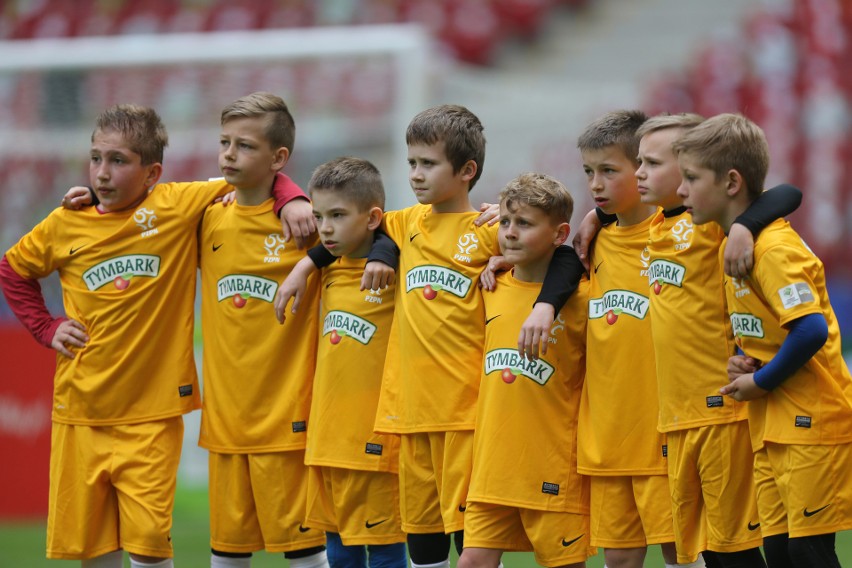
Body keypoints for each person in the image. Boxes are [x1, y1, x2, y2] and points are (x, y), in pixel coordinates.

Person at [275, 104, 584, 568]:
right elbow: (363, 227)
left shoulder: (487, 229)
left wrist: (537, 288)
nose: (416, 174)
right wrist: (309, 264)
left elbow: (564, 258)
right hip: (406, 416)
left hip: (463, 414)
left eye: (428, 163)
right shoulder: (405, 224)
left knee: (472, 548)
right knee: (423, 549)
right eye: (412, 162)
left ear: (466, 170)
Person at [675, 112, 852, 568]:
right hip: (773, 423)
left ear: (731, 182)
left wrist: (764, 380)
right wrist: (744, 359)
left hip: (811, 420)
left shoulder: (771, 249)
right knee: (777, 549)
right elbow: (763, 328)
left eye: (691, 178)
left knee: (806, 550)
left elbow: (810, 329)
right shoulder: (729, 243)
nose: (681, 191)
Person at [633, 113, 801, 567]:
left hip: (721, 410)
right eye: (637, 162)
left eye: (652, 163)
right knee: (707, 552)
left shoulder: (713, 223)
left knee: (735, 553)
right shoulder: (654, 226)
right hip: (677, 416)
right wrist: (592, 216)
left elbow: (788, 193)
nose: (639, 174)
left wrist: (745, 225)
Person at [197, 92, 330, 568]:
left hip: (287, 423)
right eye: (224, 142)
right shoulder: (206, 216)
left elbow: (374, 233)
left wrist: (292, 195)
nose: (229, 154)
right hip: (226, 425)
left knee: (307, 556)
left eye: (245, 146)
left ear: (278, 158)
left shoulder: (311, 226)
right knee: (226, 557)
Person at [568, 110, 685, 568]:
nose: (595, 184)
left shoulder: (684, 235)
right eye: (588, 172)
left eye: (608, 171)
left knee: (683, 554)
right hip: (608, 438)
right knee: (619, 561)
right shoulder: (589, 245)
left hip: (665, 433)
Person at [457, 172, 593, 568]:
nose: (510, 234)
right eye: (505, 223)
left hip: (552, 466)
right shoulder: (490, 285)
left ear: (559, 232)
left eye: (525, 224)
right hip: (492, 467)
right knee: (471, 562)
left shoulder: (582, 298)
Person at [301, 156, 407, 568]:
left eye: (338, 215)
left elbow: (411, 235)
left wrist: (385, 251)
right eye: (318, 216)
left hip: (375, 443)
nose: (325, 227)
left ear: (373, 217)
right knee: (339, 555)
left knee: (385, 553)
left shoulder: (398, 266)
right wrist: (305, 263)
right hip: (328, 440)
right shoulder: (328, 267)